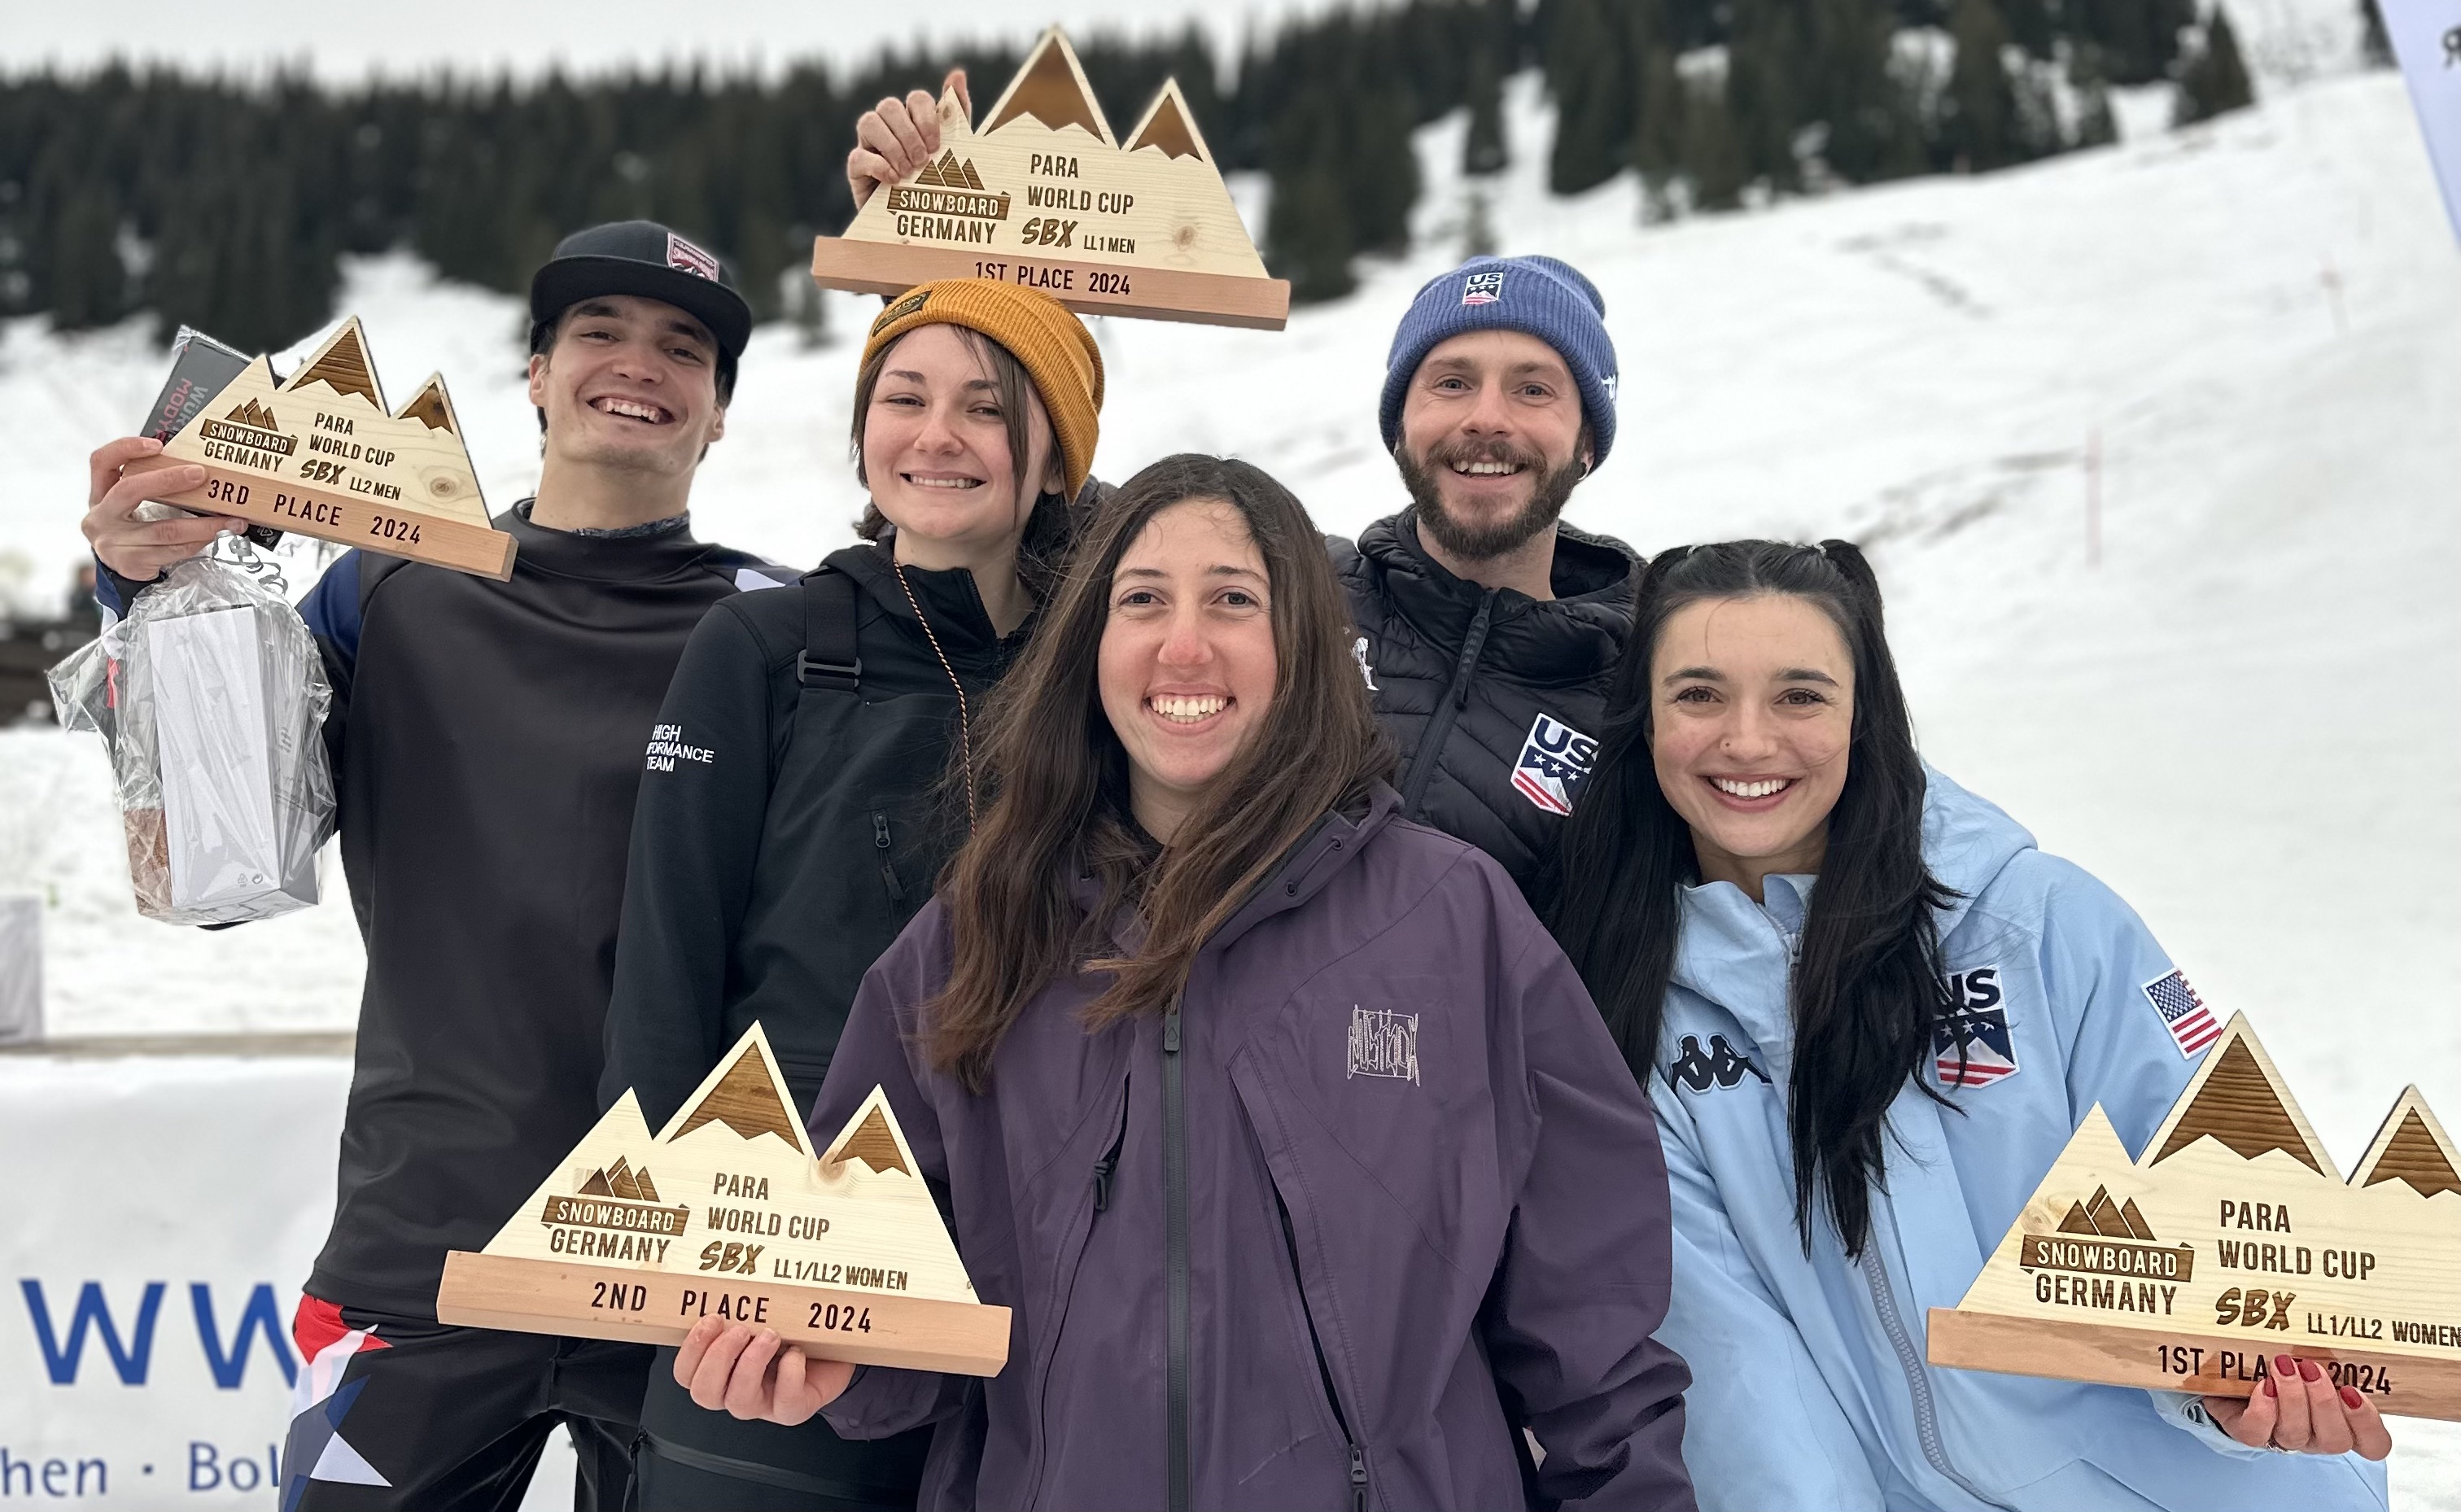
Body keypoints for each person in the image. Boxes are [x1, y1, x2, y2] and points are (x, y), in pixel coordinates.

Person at [667, 454, 1698, 1511]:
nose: (1184, 643)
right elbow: (889, 1284)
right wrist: (836, 1358)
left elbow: (1599, 1347)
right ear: (1093, 646)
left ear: (1304, 642)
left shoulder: (1458, 921)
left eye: (1234, 600)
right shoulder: (981, 930)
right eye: (1144, 599)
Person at [83, 220, 789, 1510]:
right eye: (598, 332)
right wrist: (151, 590)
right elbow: (206, 861)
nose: (639, 363)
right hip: (427, 1247)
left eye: (684, 348)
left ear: (722, 409)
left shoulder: (780, 628)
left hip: (699, 1260)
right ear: (533, 373)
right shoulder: (384, 588)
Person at [1548, 540, 2393, 1511]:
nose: (1747, 741)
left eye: (1800, 696)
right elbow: (1747, 1381)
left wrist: (2236, 1390)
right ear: (1642, 722)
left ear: (1866, 717)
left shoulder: (2042, 924)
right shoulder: (1637, 1015)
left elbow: (2226, 1221)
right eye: (1699, 694)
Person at [848, 81, 1635, 900]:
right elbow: (1039, 513)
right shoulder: (1284, 585)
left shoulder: (1638, 692)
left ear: (1587, 440)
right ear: (1400, 425)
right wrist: (929, 284)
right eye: (1451, 383)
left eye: (1535, 389)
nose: (1486, 419)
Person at [601, 277, 1104, 1508]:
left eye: (987, 408)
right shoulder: (768, 644)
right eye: (903, 396)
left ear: (1054, 460)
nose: (935, 435)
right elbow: (667, 965)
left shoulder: (1107, 665)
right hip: (784, 1263)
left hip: (1045, 1273)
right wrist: (660, 1257)